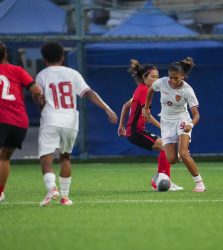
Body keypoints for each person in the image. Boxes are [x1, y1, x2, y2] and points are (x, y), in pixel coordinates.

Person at [36, 41, 118, 206]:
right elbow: (88, 92)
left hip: (51, 119)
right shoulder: (72, 73)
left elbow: (39, 99)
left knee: (46, 158)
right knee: (65, 157)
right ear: (62, 56)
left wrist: (41, 104)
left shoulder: (42, 75)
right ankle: (65, 197)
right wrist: (107, 108)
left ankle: (52, 188)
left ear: (44, 59)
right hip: (70, 121)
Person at [118, 59, 183, 191]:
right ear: (144, 77)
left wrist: (121, 126)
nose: (156, 79)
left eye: (157, 77)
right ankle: (164, 182)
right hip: (136, 132)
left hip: (134, 131)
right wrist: (163, 127)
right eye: (153, 77)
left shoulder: (141, 89)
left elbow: (125, 105)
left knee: (166, 147)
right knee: (167, 147)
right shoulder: (144, 91)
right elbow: (146, 116)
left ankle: (162, 181)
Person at [143, 57, 206, 192]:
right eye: (171, 77)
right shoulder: (162, 82)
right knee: (171, 159)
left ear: (183, 76)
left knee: (183, 153)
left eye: (176, 78)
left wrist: (191, 125)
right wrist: (146, 108)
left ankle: (200, 184)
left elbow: (197, 115)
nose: (173, 80)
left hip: (182, 120)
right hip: (166, 122)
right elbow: (151, 90)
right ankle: (183, 154)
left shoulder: (187, 90)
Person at [0, 41, 43, 202]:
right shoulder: (17, 70)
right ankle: (0, 192)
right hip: (18, 121)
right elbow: (37, 90)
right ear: (5, 54)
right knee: (4, 157)